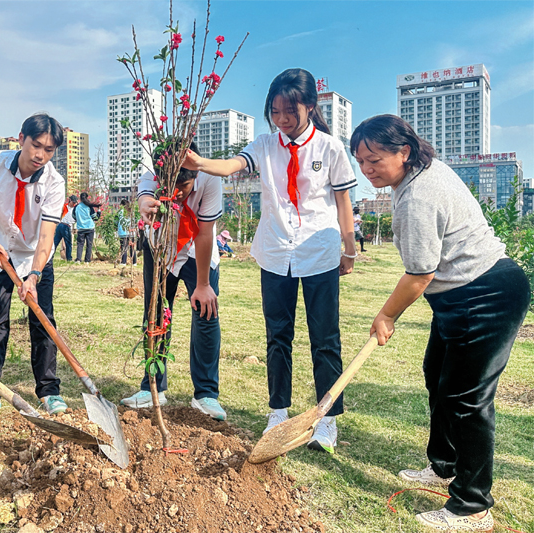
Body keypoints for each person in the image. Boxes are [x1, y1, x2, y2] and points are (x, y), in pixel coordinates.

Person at [352, 115, 528, 532]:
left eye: (374, 160)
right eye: (361, 162)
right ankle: (444, 464)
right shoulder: (417, 174)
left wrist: (386, 315)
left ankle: (472, 505)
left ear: (404, 152)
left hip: (485, 294)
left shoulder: (419, 196)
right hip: (458, 295)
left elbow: (419, 275)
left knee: (467, 397)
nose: (367, 170)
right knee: (438, 376)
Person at [184, 68, 358, 452]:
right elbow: (232, 165)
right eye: (275, 111)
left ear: (309, 106)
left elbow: (343, 202)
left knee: (325, 339)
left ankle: (326, 420)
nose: (282, 119)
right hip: (276, 253)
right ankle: (277, 412)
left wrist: (349, 249)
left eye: (289, 112)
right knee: (278, 336)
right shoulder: (265, 144)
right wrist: (200, 163)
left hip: (319, 252)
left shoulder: (330, 148)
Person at [0, 113, 68, 422]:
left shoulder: (54, 182)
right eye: (36, 145)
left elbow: (47, 235)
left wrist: (34, 276)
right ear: (21, 138)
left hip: (35, 258)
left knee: (42, 321)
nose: (40, 155)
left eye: (49, 150)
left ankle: (49, 391)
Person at [120, 141, 226, 421]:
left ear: (196, 173)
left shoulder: (210, 179)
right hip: (161, 250)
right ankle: (152, 387)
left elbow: (205, 232)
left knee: (206, 314)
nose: (177, 193)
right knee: (155, 315)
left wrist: (203, 285)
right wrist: (146, 206)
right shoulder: (151, 175)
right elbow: (144, 198)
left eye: (184, 187)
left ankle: (206, 394)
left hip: (197, 251)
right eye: (171, 187)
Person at [74, 192, 100, 263]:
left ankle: (78, 259)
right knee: (89, 244)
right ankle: (87, 260)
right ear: (87, 198)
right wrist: (99, 213)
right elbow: (95, 218)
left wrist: (79, 220)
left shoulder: (77, 207)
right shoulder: (89, 207)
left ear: (80, 198)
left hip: (80, 228)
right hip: (89, 228)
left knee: (80, 244)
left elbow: (73, 216)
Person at [54, 195, 77, 261]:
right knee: (62, 243)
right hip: (64, 226)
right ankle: (68, 258)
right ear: (70, 200)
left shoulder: (74, 208)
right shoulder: (64, 207)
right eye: (73, 202)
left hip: (67, 227)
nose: (73, 204)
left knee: (63, 243)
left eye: (75, 202)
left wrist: (75, 228)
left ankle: (67, 257)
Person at [117, 198, 136, 266]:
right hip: (131, 232)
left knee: (124, 248)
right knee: (132, 248)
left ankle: (124, 262)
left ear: (122, 205)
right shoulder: (131, 212)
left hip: (123, 232)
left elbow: (116, 220)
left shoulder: (120, 211)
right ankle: (134, 262)